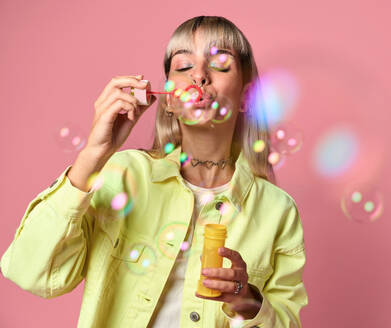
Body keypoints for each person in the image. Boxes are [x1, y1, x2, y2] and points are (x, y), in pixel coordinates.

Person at [0, 16, 307, 328]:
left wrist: (247, 302)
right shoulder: (121, 175)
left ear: (245, 97)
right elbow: (30, 273)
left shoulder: (277, 210)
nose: (199, 76)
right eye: (184, 66)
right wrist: (93, 154)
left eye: (219, 64)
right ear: (169, 100)